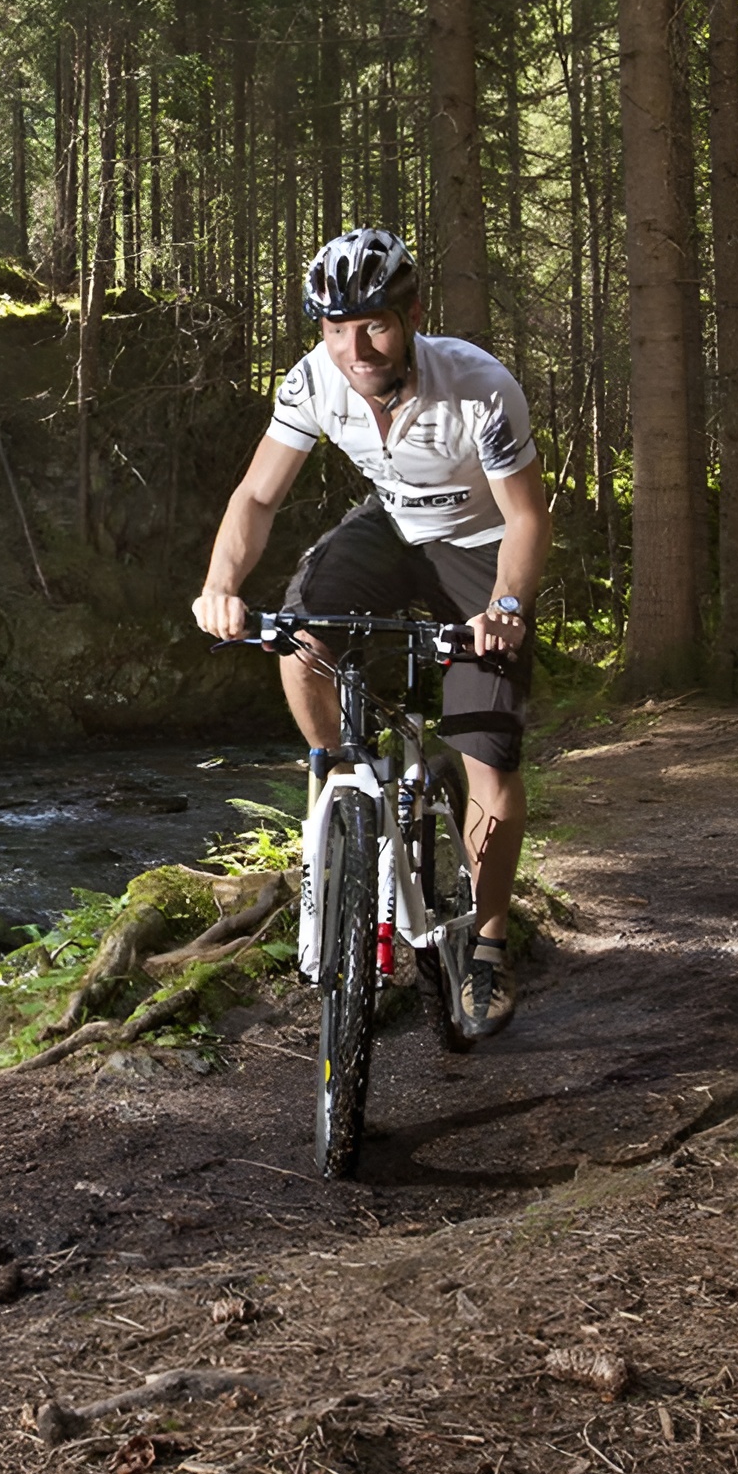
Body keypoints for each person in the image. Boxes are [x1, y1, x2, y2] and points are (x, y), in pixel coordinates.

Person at [192, 229, 551, 1039]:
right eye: (334, 328)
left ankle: (489, 943)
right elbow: (256, 498)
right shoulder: (314, 380)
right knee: (300, 634)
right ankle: (336, 776)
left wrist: (508, 610)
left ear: (412, 314)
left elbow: (528, 516)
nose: (355, 348)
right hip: (390, 528)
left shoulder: (478, 387)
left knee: (486, 751)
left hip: (480, 549)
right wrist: (221, 585)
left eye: (374, 326)